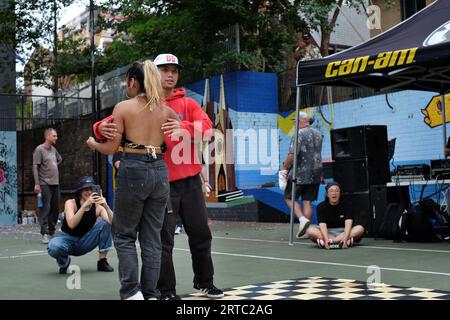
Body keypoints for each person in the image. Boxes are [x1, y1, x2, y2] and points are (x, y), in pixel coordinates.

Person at [95, 53, 224, 300]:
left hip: (190, 180)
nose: (170, 75)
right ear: (153, 74)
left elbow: (209, 129)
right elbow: (108, 127)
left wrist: (184, 127)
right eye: (164, 70)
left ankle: (205, 282)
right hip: (161, 181)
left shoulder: (188, 105)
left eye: (174, 71)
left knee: (200, 234)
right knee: (162, 241)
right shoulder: (141, 103)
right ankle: (165, 291)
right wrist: (98, 129)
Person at [87, 60, 177, 300]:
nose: (126, 86)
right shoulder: (167, 111)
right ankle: (150, 293)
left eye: (127, 82)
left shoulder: (123, 108)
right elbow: (174, 141)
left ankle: (131, 293)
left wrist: (92, 143)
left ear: (134, 81)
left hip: (133, 169)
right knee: (152, 237)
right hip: (159, 170)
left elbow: (110, 148)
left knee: (125, 235)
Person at [47, 176, 114, 273]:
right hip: (67, 240)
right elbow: (71, 224)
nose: (89, 192)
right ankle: (64, 263)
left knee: (106, 223)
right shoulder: (70, 203)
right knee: (53, 246)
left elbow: (114, 224)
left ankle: (102, 261)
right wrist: (84, 206)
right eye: (85, 189)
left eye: (91, 189)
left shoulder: (98, 206)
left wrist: (106, 207)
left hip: (85, 241)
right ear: (79, 191)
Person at [280, 111, 323, 238]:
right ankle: (307, 230)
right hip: (316, 172)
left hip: (300, 172)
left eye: (296, 121)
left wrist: (284, 167)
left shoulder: (299, 134)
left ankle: (302, 219)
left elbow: (292, 155)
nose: (295, 123)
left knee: (289, 197)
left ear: (303, 121)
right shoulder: (319, 133)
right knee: (307, 201)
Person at [307, 182, 365, 249]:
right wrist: (326, 239)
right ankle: (341, 242)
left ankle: (333, 241)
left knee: (360, 228)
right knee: (310, 230)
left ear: (340, 193)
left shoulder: (348, 205)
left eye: (337, 191)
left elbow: (348, 223)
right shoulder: (320, 206)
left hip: (344, 232)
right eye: (331, 191)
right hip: (328, 232)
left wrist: (345, 238)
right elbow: (322, 225)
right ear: (327, 194)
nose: (334, 193)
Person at [32, 128, 62, 244]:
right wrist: (37, 183)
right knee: (45, 208)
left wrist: (53, 165)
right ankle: (44, 233)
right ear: (48, 136)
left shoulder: (53, 149)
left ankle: (51, 231)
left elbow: (59, 159)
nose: (56, 138)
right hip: (44, 183)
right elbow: (35, 166)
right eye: (54, 136)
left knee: (55, 209)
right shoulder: (39, 149)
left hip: (55, 183)